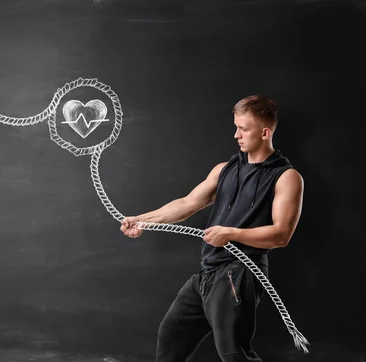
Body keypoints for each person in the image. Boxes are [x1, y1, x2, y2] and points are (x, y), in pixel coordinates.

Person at [120, 95, 304, 362]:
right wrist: (142, 220)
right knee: (171, 335)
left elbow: (281, 235)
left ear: (265, 133)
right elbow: (187, 204)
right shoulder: (224, 169)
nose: (236, 135)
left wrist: (231, 234)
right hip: (207, 273)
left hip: (239, 274)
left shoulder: (287, 177)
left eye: (243, 129)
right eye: (236, 127)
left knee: (233, 352)